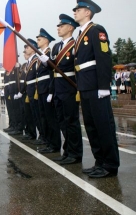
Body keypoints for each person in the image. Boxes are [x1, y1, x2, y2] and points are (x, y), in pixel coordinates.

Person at [72, 0, 119, 178]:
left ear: (87, 12)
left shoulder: (96, 30)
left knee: (103, 125)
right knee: (91, 126)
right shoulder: (80, 34)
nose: (75, 12)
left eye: (78, 10)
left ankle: (110, 165)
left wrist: (104, 86)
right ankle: (100, 161)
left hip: (96, 86)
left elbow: (103, 58)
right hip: (84, 85)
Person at [39, 14, 83, 164]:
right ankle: (67, 151)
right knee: (63, 122)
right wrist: (47, 62)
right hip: (57, 88)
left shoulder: (74, 44)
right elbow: (53, 71)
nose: (58, 28)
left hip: (69, 87)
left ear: (70, 28)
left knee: (71, 122)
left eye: (61, 26)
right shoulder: (57, 46)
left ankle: (75, 154)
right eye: (58, 26)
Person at [35, 28, 59, 154]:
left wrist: (51, 91)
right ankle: (48, 142)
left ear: (46, 40)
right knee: (44, 117)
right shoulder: (41, 55)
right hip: (41, 89)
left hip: (47, 88)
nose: (37, 42)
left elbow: (52, 73)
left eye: (39, 39)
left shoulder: (50, 53)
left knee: (51, 119)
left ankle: (54, 144)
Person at [15, 39, 40, 142]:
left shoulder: (36, 60)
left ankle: (39, 136)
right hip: (29, 91)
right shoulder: (29, 63)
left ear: (33, 49)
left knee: (37, 116)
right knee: (31, 115)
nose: (25, 50)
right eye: (25, 48)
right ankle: (31, 133)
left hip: (34, 90)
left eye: (27, 47)